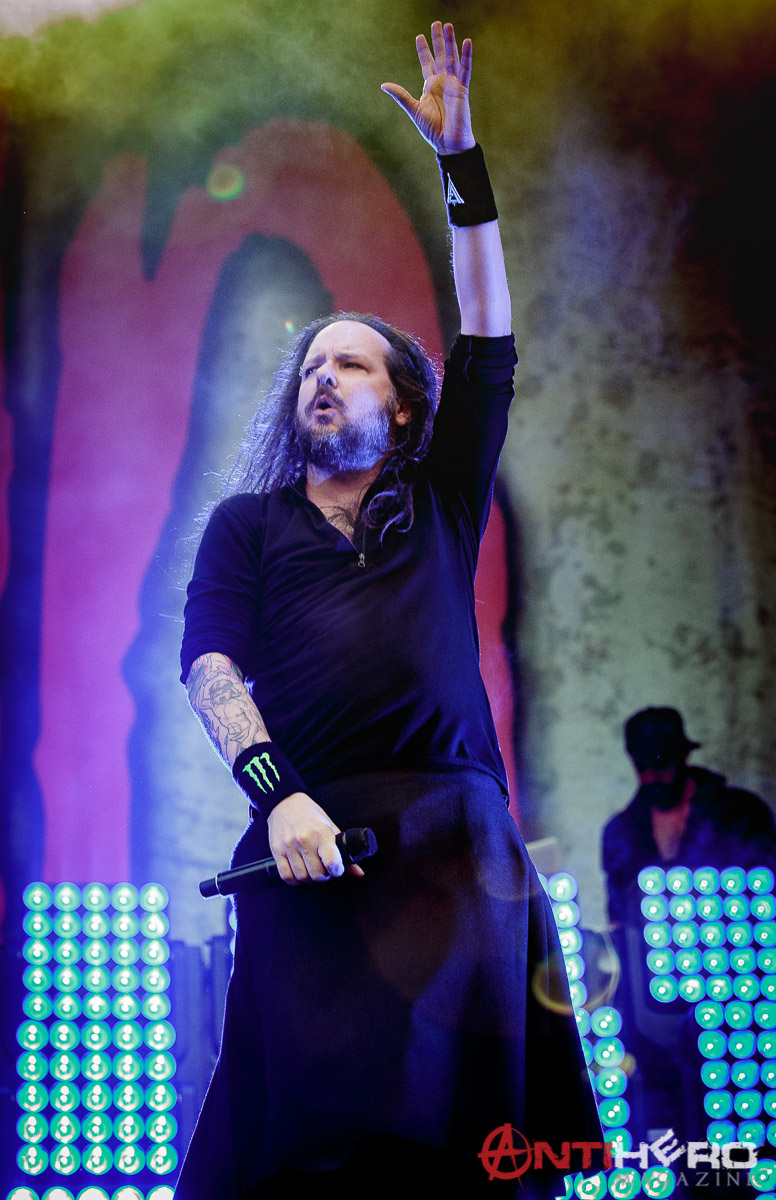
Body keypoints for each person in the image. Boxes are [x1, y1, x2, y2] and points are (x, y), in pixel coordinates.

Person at [175, 22, 601, 1197]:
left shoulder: (441, 494)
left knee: (469, 1153)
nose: (324, 374)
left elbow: (489, 335)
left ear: (404, 407)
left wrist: (458, 161)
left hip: (458, 848)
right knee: (308, 1159)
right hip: (313, 846)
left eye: (353, 363)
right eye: (312, 365)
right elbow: (211, 670)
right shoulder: (248, 524)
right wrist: (277, 799)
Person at [602, 705, 776, 928]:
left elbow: (767, 897)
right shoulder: (621, 832)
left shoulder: (741, 813)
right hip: (652, 950)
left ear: (683, 755)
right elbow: (618, 919)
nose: (651, 776)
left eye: (660, 763)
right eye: (641, 766)